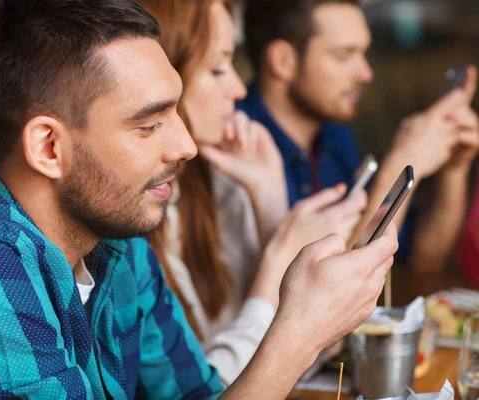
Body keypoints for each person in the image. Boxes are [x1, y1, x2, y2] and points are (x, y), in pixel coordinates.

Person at [0, 0, 398, 398]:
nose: (187, 145)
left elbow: (201, 395)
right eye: (149, 124)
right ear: (48, 146)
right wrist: (298, 332)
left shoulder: (113, 238)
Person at [134, 0, 366, 385]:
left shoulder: (211, 186)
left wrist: (270, 198)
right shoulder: (127, 214)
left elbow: (307, 354)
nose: (239, 88)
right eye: (217, 68)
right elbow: (213, 390)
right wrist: (277, 262)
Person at [241, 0, 479, 272]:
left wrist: (455, 167)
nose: (366, 73)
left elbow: (423, 260)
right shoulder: (237, 145)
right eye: (344, 55)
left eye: (363, 53)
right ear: (283, 61)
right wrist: (401, 162)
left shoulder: (334, 133)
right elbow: (316, 292)